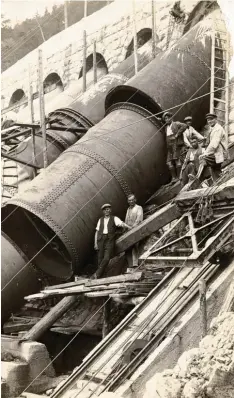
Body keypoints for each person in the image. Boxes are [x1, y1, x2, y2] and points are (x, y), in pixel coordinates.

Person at [94, 204, 131, 278]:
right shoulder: (100, 220)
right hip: (100, 240)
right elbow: (97, 232)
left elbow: (121, 224)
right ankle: (100, 276)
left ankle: (97, 274)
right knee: (100, 259)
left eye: (108, 209)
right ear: (103, 211)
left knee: (107, 258)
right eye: (105, 210)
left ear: (110, 210)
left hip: (109, 240)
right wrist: (95, 243)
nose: (106, 211)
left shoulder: (114, 218)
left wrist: (129, 227)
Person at [199, 113, 228, 182]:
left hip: (219, 152)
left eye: (211, 119)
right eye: (208, 120)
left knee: (203, 159)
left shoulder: (218, 129)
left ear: (215, 119)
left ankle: (199, 177)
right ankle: (219, 182)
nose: (209, 121)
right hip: (216, 152)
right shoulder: (213, 129)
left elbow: (214, 144)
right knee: (215, 170)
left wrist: (205, 153)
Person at [162, 111, 187, 182]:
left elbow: (184, 126)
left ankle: (180, 176)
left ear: (171, 118)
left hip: (175, 144)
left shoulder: (176, 124)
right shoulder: (166, 127)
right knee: (168, 162)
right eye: (165, 119)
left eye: (167, 118)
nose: (166, 120)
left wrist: (177, 134)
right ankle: (174, 177)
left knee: (177, 160)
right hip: (169, 146)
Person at [125, 194, 143, 267]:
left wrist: (132, 228)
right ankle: (130, 265)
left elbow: (139, 219)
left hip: (136, 229)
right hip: (129, 231)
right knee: (128, 248)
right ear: (128, 201)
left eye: (132, 200)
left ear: (135, 200)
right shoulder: (128, 209)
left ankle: (136, 264)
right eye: (129, 200)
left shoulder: (139, 208)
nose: (131, 201)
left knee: (135, 246)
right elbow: (126, 220)